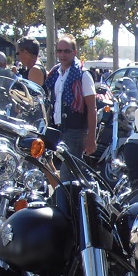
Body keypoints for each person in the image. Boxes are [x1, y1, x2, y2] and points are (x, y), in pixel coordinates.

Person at [44, 34, 97, 177]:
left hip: (75, 131)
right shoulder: (55, 73)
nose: (63, 54)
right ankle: (92, 188)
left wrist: (91, 138)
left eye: (67, 51)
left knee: (68, 173)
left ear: (75, 52)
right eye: (59, 51)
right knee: (74, 172)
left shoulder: (83, 75)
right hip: (58, 129)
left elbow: (92, 108)